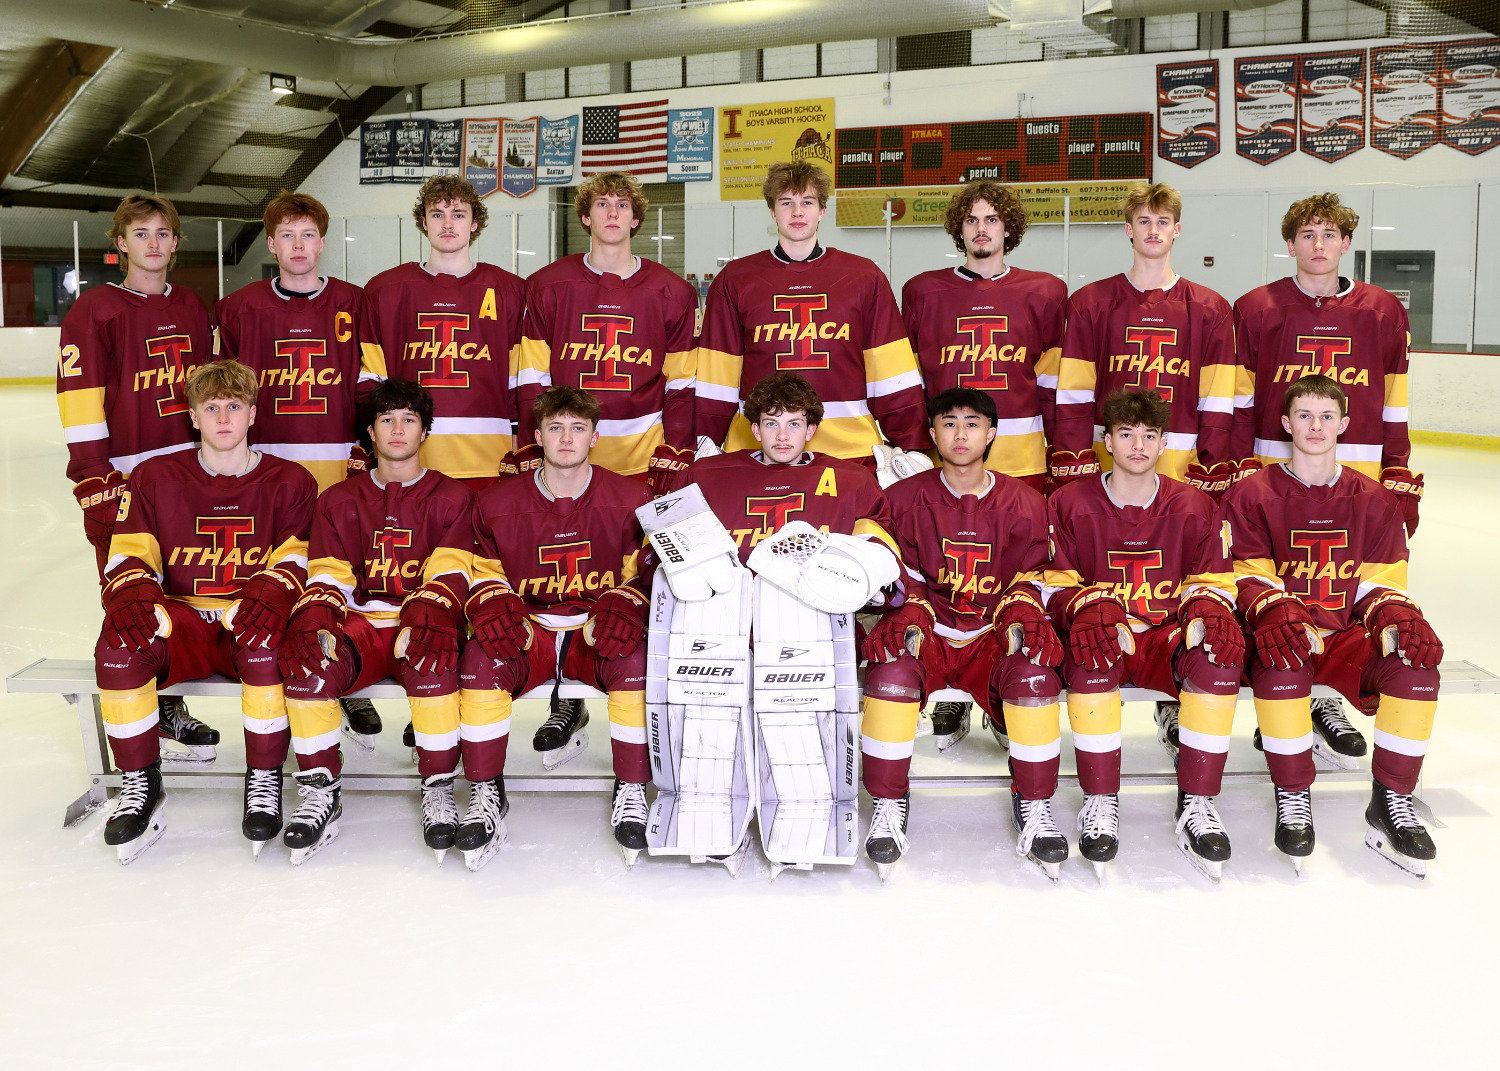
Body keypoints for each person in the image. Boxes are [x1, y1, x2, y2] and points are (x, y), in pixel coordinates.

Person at [671, 372, 899, 871]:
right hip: (722, 625)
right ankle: (709, 810)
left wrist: (860, 575)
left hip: (805, 630)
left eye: (794, 423)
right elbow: (665, 548)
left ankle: (807, 809)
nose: (782, 435)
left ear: (811, 429)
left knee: (797, 722)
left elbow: (880, 554)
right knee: (711, 717)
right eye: (771, 423)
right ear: (754, 428)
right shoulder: (707, 475)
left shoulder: (851, 480)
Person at [93, 360, 316, 861]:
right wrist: (132, 590)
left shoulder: (291, 481)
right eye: (211, 408)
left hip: (248, 617)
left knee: (266, 646)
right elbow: (130, 552)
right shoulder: (155, 477)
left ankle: (264, 778)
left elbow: (298, 557)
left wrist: (272, 591)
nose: (223, 418)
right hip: (184, 620)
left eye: (234, 406)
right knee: (119, 648)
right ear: (192, 416)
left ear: (252, 413)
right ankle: (141, 783)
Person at [1223, 374, 1442, 877]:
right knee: (1280, 658)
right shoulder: (1252, 494)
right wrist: (1274, 610)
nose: (1315, 426)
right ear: (1286, 423)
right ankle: (1292, 796)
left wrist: (1394, 615)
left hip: (1344, 636)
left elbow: (1381, 582)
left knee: (1415, 665)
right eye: (1304, 415)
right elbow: (1245, 574)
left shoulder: (1374, 499)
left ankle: (1391, 801)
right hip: (1280, 633)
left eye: (1326, 416)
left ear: (1344, 424)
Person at [1231, 194, 1421, 760]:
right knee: (1278, 586)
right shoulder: (1256, 307)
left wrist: (1398, 467)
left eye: (1330, 234)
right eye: (1308, 234)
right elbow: (1241, 400)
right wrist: (1236, 468)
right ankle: (1283, 697)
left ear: (1346, 243)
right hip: (1277, 471)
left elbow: (1395, 399)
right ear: (1290, 244)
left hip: (1358, 477)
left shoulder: (1382, 309)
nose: (1319, 245)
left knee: (1338, 586)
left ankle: (1325, 696)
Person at [1045, 388, 1246, 881]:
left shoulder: (1195, 505)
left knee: (1217, 658)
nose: (1138, 445)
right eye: (1126, 434)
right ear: (1107, 441)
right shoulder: (1069, 502)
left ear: (1163, 443)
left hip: (1164, 634)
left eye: (1149, 435)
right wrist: (1085, 607)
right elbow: (1052, 582)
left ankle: (1197, 801)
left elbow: (1214, 580)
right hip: (1104, 631)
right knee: (1090, 657)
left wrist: (1204, 607)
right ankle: (1099, 799)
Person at [862, 387, 1063, 878]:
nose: (960, 434)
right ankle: (888, 802)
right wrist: (907, 606)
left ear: (991, 434)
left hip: (991, 633)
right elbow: (886, 569)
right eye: (948, 423)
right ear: (932, 434)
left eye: (972, 424)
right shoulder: (900, 499)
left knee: (1035, 670)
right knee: (890, 667)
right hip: (928, 629)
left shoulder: (1027, 503)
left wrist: (1022, 606)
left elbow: (1035, 576)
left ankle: (1035, 803)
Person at [457, 386, 653, 870]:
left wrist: (628, 601)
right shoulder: (495, 502)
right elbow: (480, 572)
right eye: (556, 428)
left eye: (578, 428)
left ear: (595, 437)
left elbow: (648, 573)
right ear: (538, 436)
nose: (566, 438)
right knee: (482, 657)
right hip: (531, 628)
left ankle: (632, 786)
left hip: (595, 626)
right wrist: (492, 602)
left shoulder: (632, 498)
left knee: (634, 657)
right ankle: (485, 790)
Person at [278, 380, 473, 864]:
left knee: (433, 657)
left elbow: (451, 569)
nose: (398, 429)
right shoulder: (338, 498)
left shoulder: (452, 496)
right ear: (370, 431)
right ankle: (321, 790)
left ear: (425, 430)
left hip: (418, 621)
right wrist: (319, 612)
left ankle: (438, 786)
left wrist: (430, 613)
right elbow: (329, 571)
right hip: (360, 624)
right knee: (308, 662)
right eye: (387, 420)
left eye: (409, 419)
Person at [58, 193, 220, 758]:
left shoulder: (192, 306)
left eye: (163, 233)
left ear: (176, 243)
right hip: (126, 482)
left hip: (187, 480)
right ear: (120, 242)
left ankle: (170, 707)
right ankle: (142, 715)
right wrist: (95, 479)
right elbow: (81, 405)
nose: (153, 243)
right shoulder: (94, 311)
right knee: (134, 597)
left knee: (182, 596)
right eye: (141, 233)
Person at [216, 191, 381, 743]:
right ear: (271, 244)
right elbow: (226, 393)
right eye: (287, 236)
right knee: (278, 572)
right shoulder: (239, 308)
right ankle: (279, 683)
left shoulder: (353, 302)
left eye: (308, 235)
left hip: (336, 463)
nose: (299, 245)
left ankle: (345, 674)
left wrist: (367, 450)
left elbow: (368, 383)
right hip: (269, 470)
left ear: (323, 242)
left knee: (340, 572)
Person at [694, 161, 929, 475]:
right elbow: (717, 376)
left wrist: (911, 444)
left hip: (848, 451)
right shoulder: (735, 279)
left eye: (807, 202)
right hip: (756, 453)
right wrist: (705, 441)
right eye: (786, 203)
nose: (797, 212)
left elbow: (890, 370)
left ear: (822, 211)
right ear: (772, 212)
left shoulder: (863, 276)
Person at [1052, 183, 1239, 494]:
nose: (1153, 230)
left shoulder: (1211, 309)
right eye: (1144, 221)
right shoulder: (1090, 303)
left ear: (1176, 230)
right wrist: (1074, 461)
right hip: (1107, 466)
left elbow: (1217, 399)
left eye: (1162, 221)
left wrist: (1211, 462)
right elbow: (1075, 393)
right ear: (1129, 229)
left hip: (1181, 469)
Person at [516, 171, 698, 491]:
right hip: (566, 458)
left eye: (622, 205)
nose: (613, 213)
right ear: (586, 218)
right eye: (602, 204)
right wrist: (532, 446)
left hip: (644, 458)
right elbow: (532, 379)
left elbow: (681, 385)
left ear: (635, 219)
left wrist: (678, 449)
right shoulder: (546, 286)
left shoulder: (674, 292)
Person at [358, 174, 526, 490]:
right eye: (437, 214)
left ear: (474, 223)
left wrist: (520, 436)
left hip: (489, 456)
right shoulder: (385, 290)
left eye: (458, 214)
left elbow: (519, 378)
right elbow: (371, 380)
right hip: (410, 458)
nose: (447, 224)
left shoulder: (510, 290)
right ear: (424, 222)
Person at [900, 181, 1065, 491]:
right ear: (960, 230)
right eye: (971, 220)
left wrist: (1063, 447)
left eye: (992, 219)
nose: (981, 228)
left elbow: (1052, 386)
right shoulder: (922, 292)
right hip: (946, 459)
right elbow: (912, 384)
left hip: (1022, 459)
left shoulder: (1044, 293)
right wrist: (911, 446)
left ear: (1007, 228)